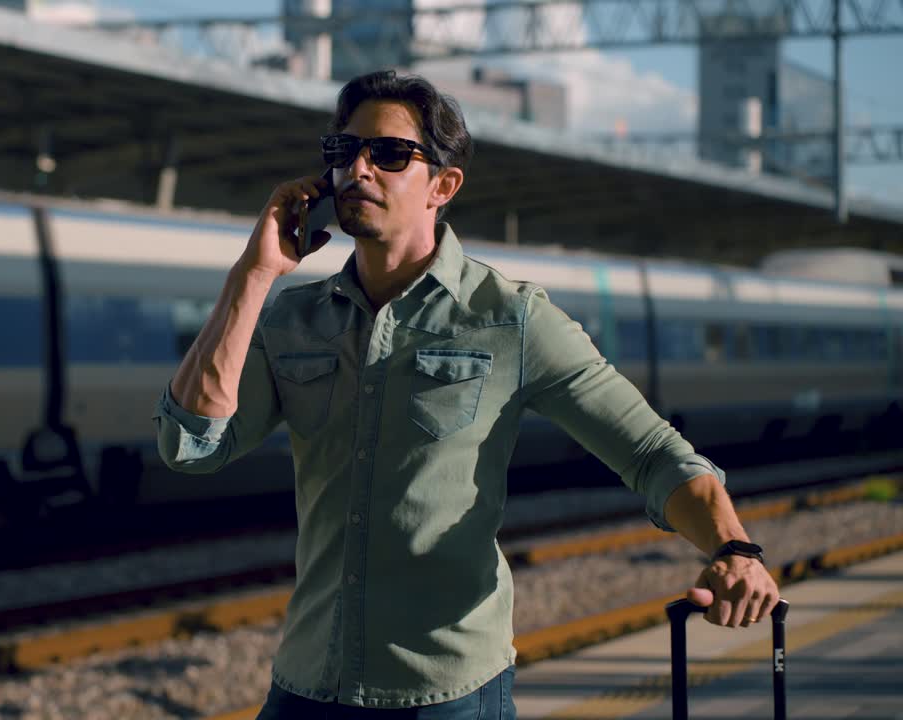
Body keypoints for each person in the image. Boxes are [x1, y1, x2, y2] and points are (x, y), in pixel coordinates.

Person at [152, 70, 779, 718]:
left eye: (389, 153)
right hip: (307, 686)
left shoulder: (512, 319)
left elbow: (651, 453)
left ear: (443, 186)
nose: (358, 168)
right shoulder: (292, 319)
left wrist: (734, 549)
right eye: (344, 151)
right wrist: (252, 276)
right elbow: (189, 446)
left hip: (445, 698)